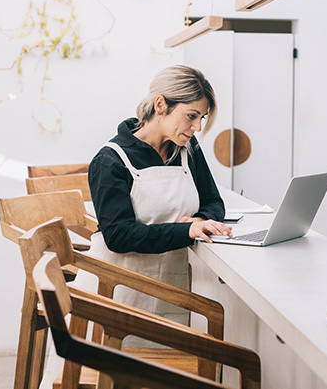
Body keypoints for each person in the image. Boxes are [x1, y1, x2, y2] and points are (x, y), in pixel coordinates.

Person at [87, 64, 232, 327]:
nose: (197, 127)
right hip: (119, 289)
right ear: (161, 104)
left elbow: (214, 202)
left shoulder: (187, 150)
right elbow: (118, 236)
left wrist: (198, 220)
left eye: (202, 117)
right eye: (191, 116)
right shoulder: (110, 160)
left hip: (172, 285)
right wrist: (185, 231)